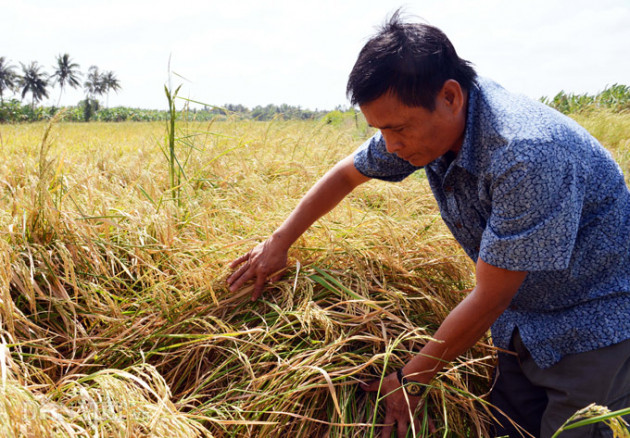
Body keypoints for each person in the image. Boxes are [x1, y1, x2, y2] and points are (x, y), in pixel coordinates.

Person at [227, 11, 630, 438]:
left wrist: (411, 379)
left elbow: (490, 295)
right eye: (380, 129)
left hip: (595, 326)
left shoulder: (525, 154)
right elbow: (347, 174)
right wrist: (279, 241)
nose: (390, 144)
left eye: (397, 128)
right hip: (523, 325)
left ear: (450, 96)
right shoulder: (427, 128)